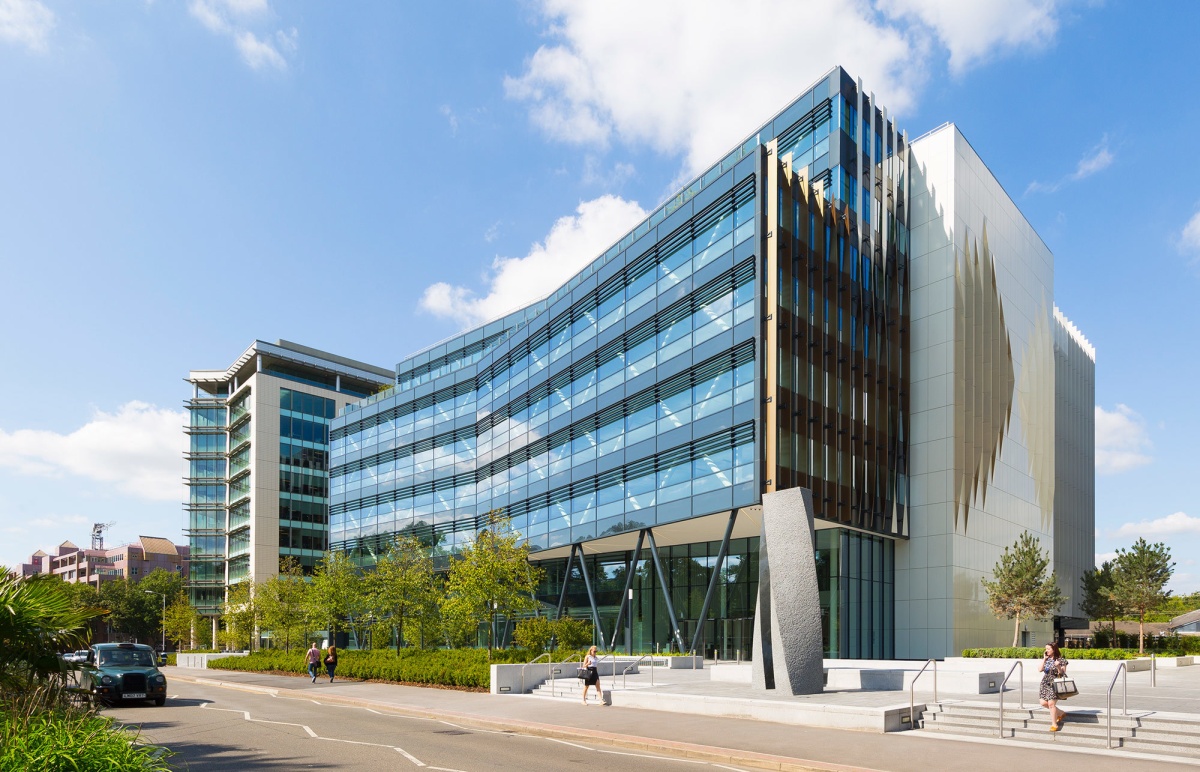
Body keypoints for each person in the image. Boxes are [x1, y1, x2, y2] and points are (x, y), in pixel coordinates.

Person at [1038, 642, 1069, 731]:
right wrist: (1044, 659)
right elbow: (1040, 669)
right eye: (1046, 649)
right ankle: (1060, 713)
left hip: (1055, 683)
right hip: (1045, 683)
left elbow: (1062, 673)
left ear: (1054, 649)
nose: (1046, 651)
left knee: (1051, 704)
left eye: (1048, 649)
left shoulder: (1061, 660)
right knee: (1043, 703)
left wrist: (1058, 666)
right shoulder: (1046, 659)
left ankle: (1054, 724)